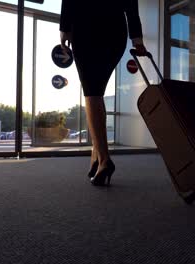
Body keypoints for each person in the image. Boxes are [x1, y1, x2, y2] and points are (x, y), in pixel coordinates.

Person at [60, 0, 147, 186]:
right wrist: (137, 39)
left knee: (91, 92)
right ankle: (97, 155)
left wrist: (64, 28)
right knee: (97, 90)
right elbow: (131, 4)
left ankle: (105, 161)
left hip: (85, 24)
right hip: (115, 28)